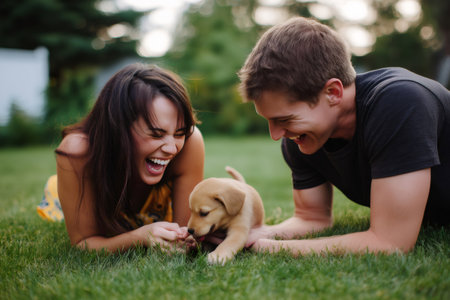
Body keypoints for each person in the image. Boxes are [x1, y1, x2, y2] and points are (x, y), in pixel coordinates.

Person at [238, 17, 450, 256]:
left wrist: (274, 248)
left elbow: (391, 242)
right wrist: (256, 234)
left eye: (284, 120)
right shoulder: (302, 137)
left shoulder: (401, 102)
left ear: (333, 92)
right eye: (269, 120)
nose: (276, 135)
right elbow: (312, 218)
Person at [38, 63, 205, 253]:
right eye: (156, 134)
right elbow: (83, 243)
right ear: (119, 127)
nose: (171, 148)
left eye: (179, 133)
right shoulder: (77, 152)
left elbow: (186, 235)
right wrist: (139, 237)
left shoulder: (190, 142)